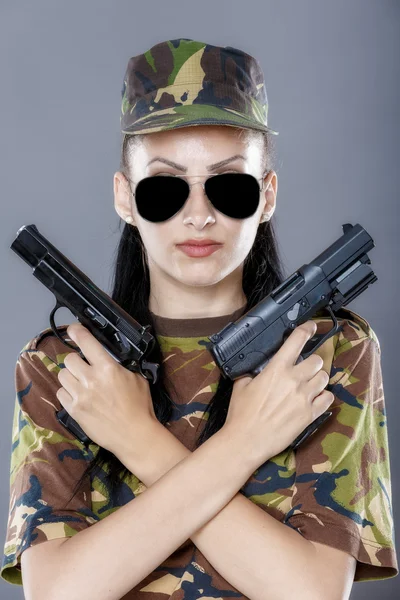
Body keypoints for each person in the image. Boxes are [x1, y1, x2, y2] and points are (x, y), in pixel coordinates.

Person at [1, 38, 398, 599]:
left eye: (229, 186)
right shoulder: (68, 367)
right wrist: (245, 443)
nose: (198, 215)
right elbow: (60, 593)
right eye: (164, 189)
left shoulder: (324, 352)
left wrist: (139, 442)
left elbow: (311, 593)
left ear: (267, 195)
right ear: (125, 198)